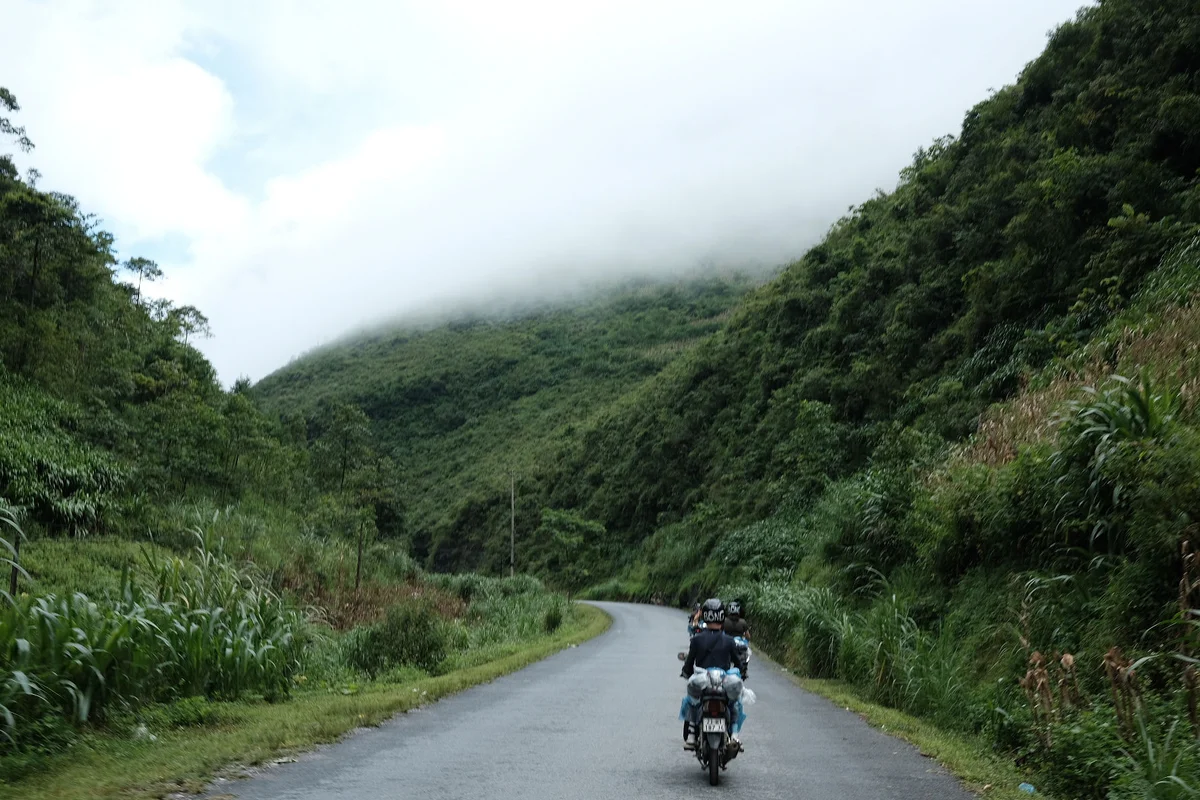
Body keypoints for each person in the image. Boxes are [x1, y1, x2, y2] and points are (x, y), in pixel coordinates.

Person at [679, 598, 748, 750]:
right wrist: (741, 673)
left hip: (703, 680)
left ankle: (691, 733)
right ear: (722, 616)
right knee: (734, 703)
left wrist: (686, 672)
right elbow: (738, 663)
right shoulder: (729, 641)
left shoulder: (697, 640)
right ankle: (735, 735)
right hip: (723, 681)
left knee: (692, 700)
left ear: (705, 616)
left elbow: (689, 663)